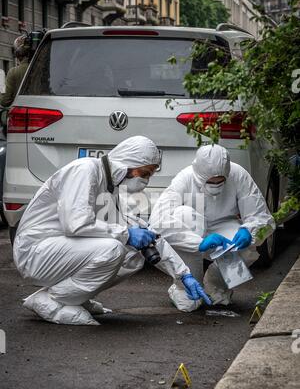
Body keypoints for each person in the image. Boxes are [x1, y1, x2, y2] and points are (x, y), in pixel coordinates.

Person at [14, 136, 210, 325]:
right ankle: (53, 300)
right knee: (113, 249)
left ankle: (75, 297)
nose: (146, 180)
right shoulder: (84, 170)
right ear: (128, 163)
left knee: (135, 254)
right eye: (144, 173)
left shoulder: (109, 188)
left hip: (57, 248)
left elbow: (144, 233)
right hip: (34, 251)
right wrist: (126, 234)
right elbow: (76, 224)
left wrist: (183, 275)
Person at [150, 143, 276, 308]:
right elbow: (157, 223)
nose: (216, 185)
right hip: (192, 231)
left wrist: (249, 230)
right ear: (198, 174)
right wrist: (197, 242)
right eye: (210, 181)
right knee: (183, 215)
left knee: (246, 248)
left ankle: (217, 285)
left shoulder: (238, 174)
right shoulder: (185, 178)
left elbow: (262, 216)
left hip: (224, 227)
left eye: (221, 181)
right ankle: (184, 285)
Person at [0, 35, 30, 107]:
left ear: (18, 54)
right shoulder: (45, 69)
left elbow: (5, 101)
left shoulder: (13, 72)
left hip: (22, 112)